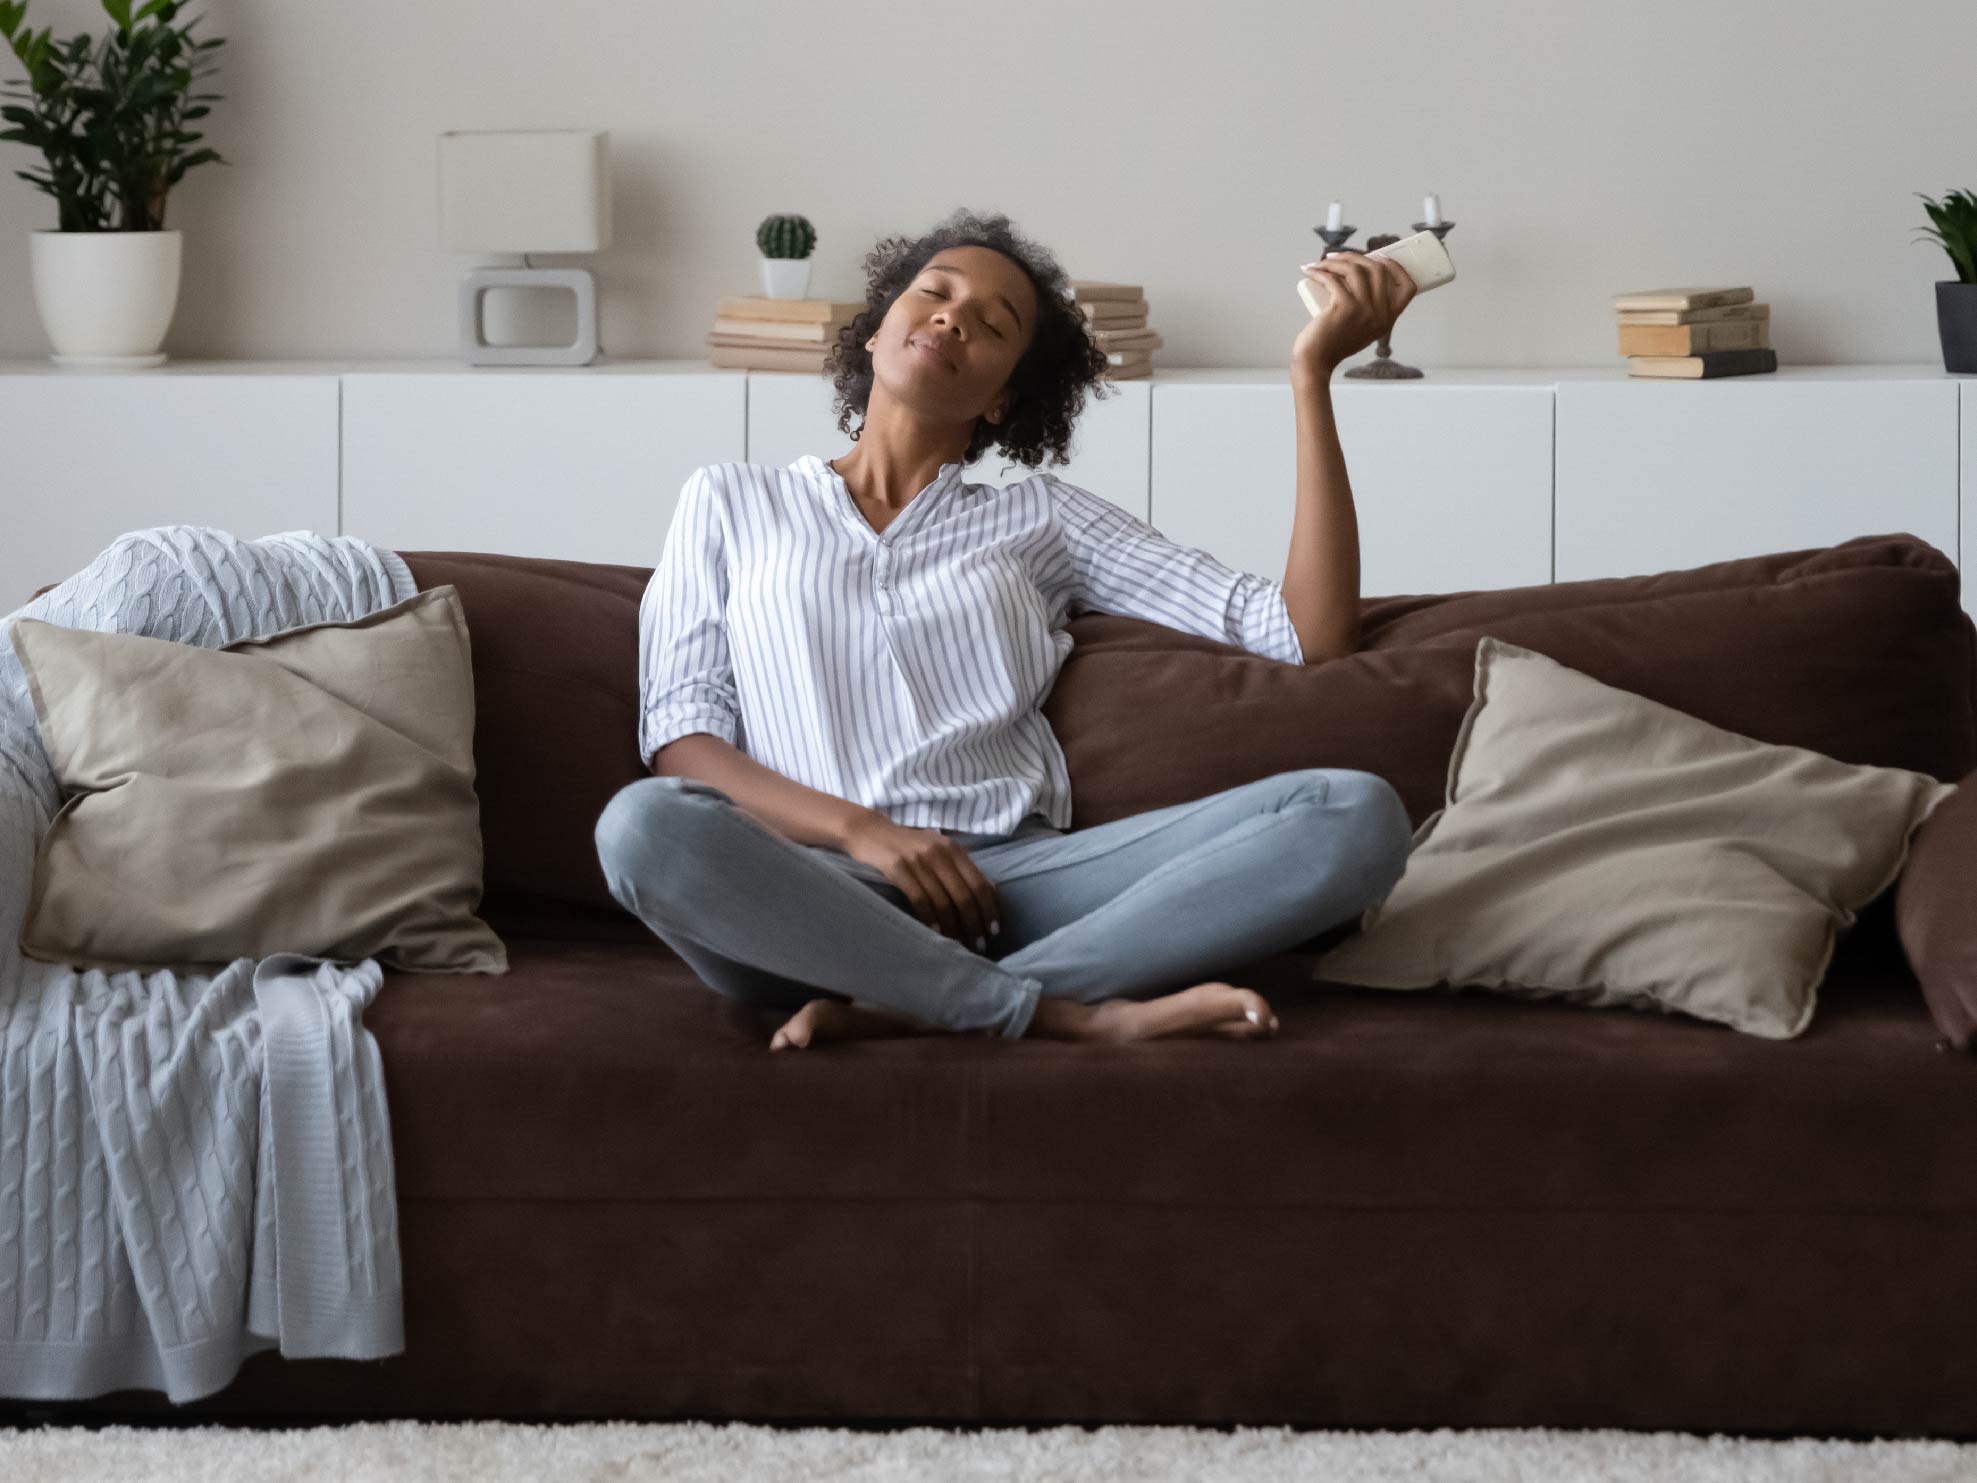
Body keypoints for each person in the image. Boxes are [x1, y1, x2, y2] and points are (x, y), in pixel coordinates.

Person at [594, 206, 1419, 1051]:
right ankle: (1063, 1012)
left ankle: (918, 1004)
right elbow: (682, 736)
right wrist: (863, 832)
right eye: (934, 294)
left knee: (1353, 811)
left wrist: (1309, 376)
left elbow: (1302, 635)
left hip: (1013, 886)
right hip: (805, 892)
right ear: (876, 333)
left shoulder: (1043, 519)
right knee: (642, 825)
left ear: (1001, 400)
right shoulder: (730, 499)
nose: (952, 317)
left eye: (991, 325)